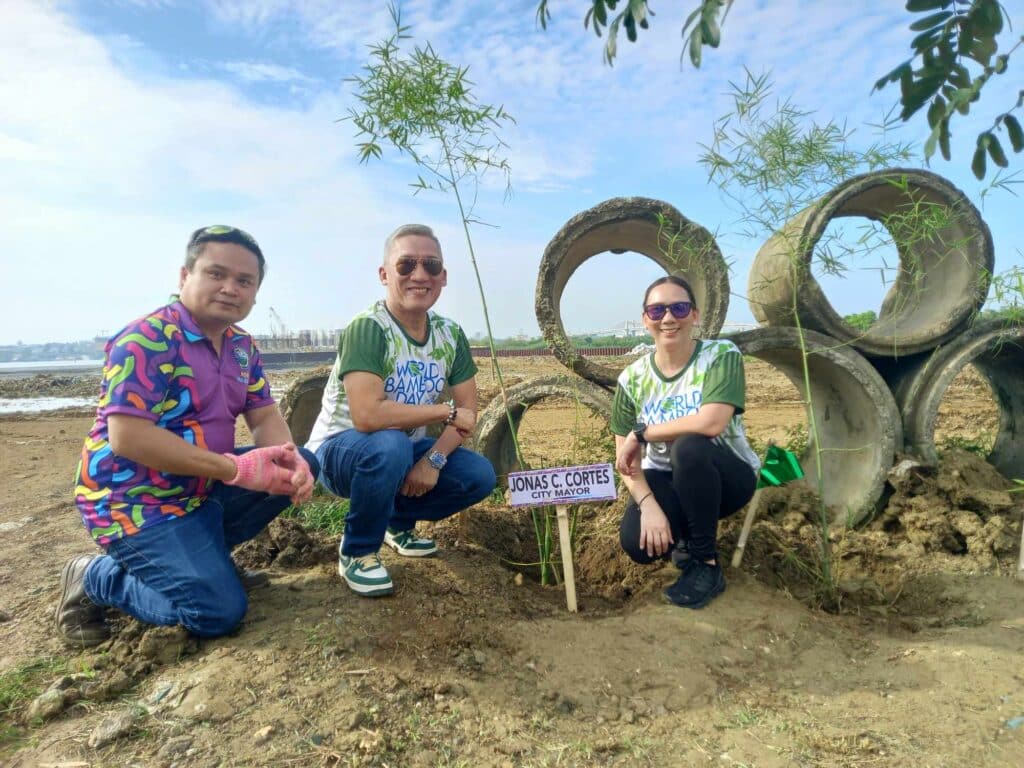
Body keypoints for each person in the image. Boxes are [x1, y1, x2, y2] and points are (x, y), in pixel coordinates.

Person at [56, 225, 318, 648]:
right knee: (216, 611)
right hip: (135, 503)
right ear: (184, 277)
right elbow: (128, 437)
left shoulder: (240, 346)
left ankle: (205, 559)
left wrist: (290, 459)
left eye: (244, 281)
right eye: (216, 274)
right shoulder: (147, 339)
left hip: (200, 488)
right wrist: (234, 468)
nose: (230, 288)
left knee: (302, 461)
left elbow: (264, 412)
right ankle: (94, 577)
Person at [307, 224, 496, 597]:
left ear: (443, 277)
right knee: (388, 444)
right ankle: (358, 550)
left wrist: (433, 461)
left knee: (478, 474)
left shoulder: (449, 335)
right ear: (385, 274)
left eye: (431, 265)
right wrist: (442, 412)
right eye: (406, 265)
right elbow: (368, 417)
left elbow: (469, 411)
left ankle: (396, 522)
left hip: (400, 450)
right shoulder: (368, 329)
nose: (419, 275)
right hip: (342, 452)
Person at [610, 275, 760, 609]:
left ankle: (705, 563)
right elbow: (625, 459)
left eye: (679, 308)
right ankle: (684, 534)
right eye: (657, 310)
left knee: (689, 446)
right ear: (645, 318)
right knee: (638, 543)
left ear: (694, 314)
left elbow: (712, 422)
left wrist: (643, 433)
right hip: (665, 477)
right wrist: (648, 506)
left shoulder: (720, 355)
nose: (668, 318)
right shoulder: (632, 378)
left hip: (725, 476)